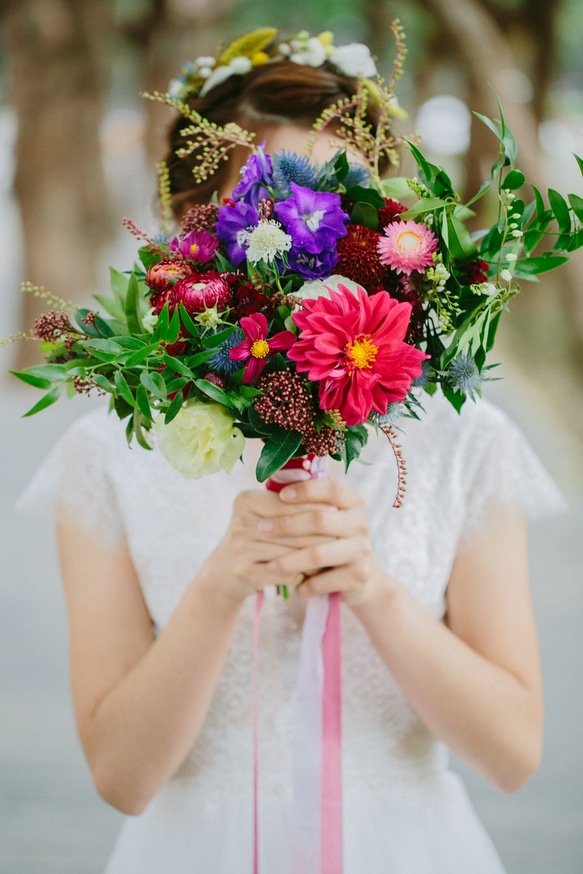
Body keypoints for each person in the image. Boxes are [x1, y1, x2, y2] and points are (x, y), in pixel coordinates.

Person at [20, 29, 563, 874]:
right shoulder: (108, 457)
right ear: (190, 231)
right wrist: (221, 580)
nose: (320, 238)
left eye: (351, 199)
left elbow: (512, 754)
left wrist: (374, 588)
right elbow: (121, 779)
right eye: (278, 201)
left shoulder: (465, 443)